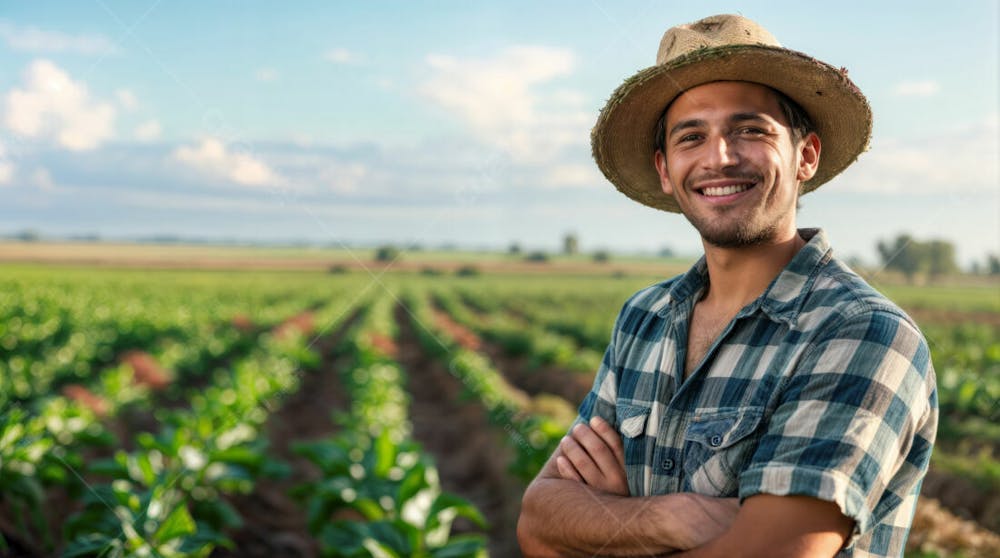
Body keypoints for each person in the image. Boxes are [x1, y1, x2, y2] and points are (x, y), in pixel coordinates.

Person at [517, 14, 937, 558]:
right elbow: (537, 523)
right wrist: (673, 517)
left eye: (750, 130)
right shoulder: (644, 317)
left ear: (804, 155)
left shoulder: (862, 333)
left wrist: (608, 525)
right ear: (666, 170)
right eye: (692, 137)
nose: (719, 157)